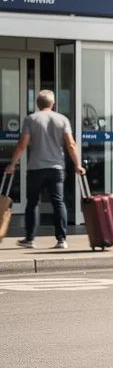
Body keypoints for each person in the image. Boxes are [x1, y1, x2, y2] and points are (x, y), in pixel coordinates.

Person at [4, 90, 85, 249]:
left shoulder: (31, 119)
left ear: (37, 103)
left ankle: (30, 239)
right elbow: (71, 144)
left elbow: (22, 144)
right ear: (53, 103)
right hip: (57, 168)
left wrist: (12, 164)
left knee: (33, 203)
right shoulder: (62, 119)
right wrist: (78, 165)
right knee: (58, 202)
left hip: (36, 168)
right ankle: (61, 239)